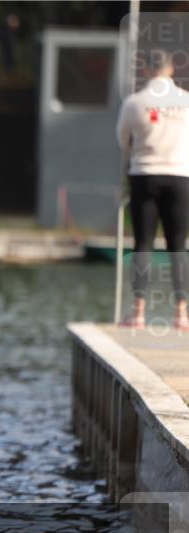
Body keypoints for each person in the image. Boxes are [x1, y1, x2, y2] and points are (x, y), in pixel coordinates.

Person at [116, 49, 189, 331]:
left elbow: (123, 139)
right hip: (179, 176)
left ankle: (138, 313)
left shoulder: (135, 102)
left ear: (146, 69)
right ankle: (181, 314)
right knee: (178, 245)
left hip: (144, 176)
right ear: (170, 70)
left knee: (143, 243)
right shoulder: (185, 101)